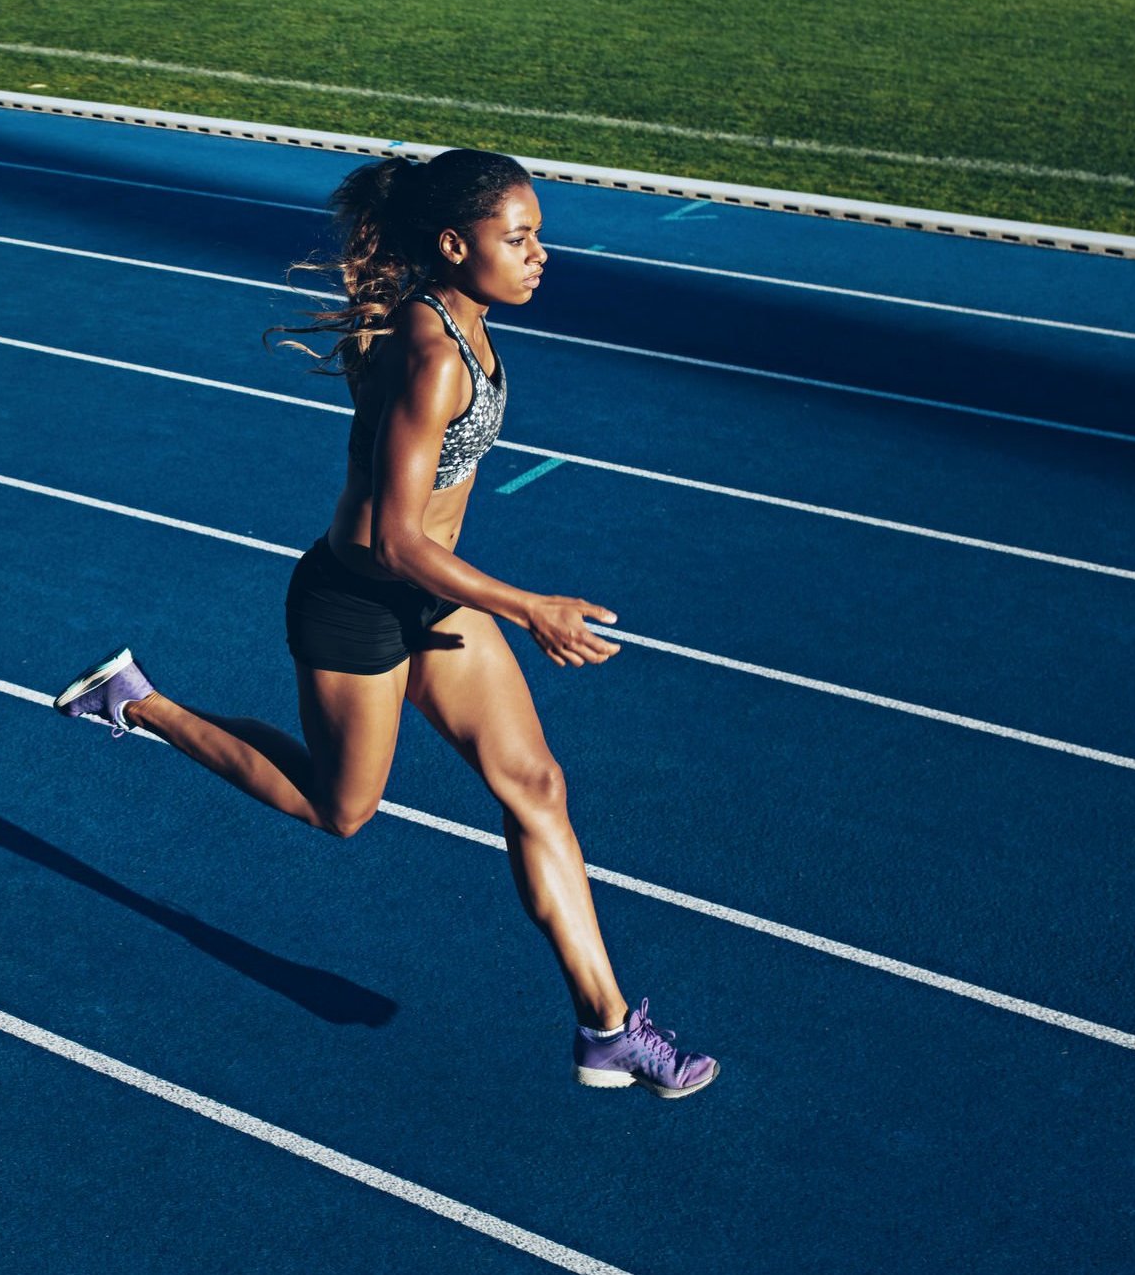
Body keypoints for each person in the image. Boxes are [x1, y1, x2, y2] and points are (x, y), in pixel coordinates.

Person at [53, 148, 717, 1098]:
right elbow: (393, 539)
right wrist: (529, 608)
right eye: (517, 237)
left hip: (432, 598)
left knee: (536, 785)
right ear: (456, 244)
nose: (539, 255)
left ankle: (607, 1026)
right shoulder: (436, 353)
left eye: (539, 236)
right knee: (342, 811)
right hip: (360, 603)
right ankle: (138, 701)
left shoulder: (458, 316)